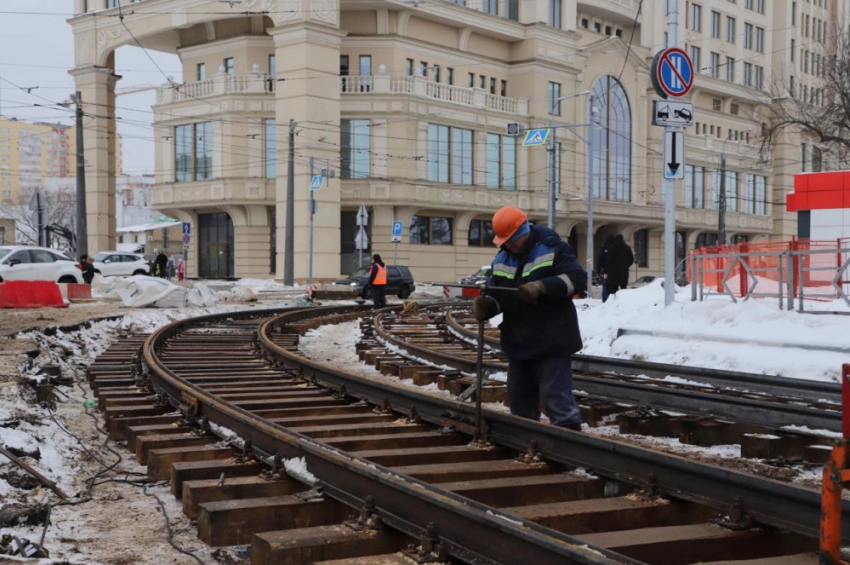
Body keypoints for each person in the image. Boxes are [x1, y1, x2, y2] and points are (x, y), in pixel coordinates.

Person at [471, 206, 587, 431]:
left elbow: (577, 279)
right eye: (505, 240)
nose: (508, 244)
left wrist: (542, 287)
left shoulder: (554, 248)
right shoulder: (502, 258)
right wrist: (488, 305)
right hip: (519, 339)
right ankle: (527, 440)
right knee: (519, 398)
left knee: (555, 396)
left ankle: (570, 442)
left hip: (552, 338)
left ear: (523, 230)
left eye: (511, 239)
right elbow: (499, 294)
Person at [605, 234, 634, 299]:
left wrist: (606, 270)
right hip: (624, 272)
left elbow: (608, 260)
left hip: (613, 272)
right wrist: (626, 265)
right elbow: (631, 260)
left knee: (614, 289)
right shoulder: (627, 248)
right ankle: (623, 300)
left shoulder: (612, 248)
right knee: (623, 287)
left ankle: (614, 301)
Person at [597, 235, 616, 302]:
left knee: (605, 285)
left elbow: (600, 259)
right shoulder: (615, 248)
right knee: (613, 286)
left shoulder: (604, 248)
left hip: (604, 270)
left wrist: (599, 270)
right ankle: (613, 300)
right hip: (613, 271)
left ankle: (605, 300)